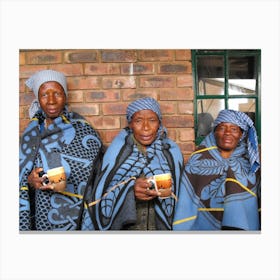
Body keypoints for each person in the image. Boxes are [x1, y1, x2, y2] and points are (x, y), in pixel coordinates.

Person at [80, 97, 184, 230]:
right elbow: (100, 196)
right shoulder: (116, 152)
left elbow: (183, 198)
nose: (146, 127)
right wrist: (129, 190)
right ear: (130, 124)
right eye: (138, 120)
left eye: (152, 120)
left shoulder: (172, 152)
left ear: (159, 123)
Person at [19, 69, 103, 231]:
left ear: (65, 96)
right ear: (38, 98)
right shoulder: (31, 134)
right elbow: (18, 176)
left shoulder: (83, 129)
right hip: (41, 216)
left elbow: (99, 173)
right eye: (44, 94)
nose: (51, 100)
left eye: (57, 93)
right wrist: (30, 181)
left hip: (77, 217)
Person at [173, 109, 261, 231]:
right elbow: (186, 200)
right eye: (222, 128)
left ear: (242, 135)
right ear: (214, 132)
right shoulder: (198, 160)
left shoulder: (251, 164)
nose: (227, 133)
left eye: (234, 129)